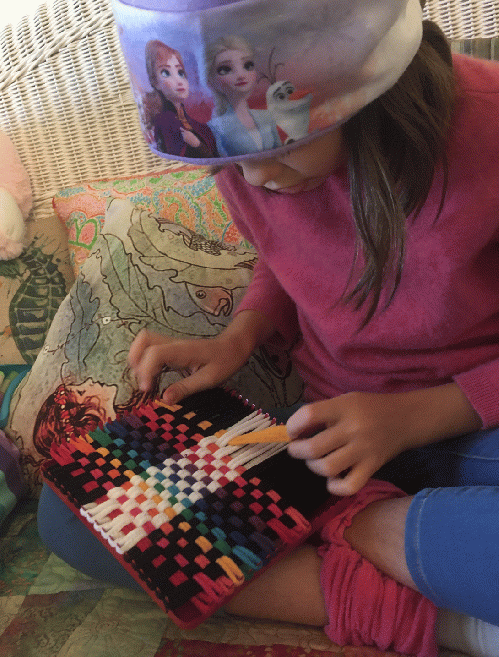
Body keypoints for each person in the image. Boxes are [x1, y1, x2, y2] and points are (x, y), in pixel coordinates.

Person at [38, 0, 499, 655]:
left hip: (472, 425)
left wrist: (416, 417)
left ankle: (385, 544)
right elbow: (288, 258)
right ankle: (434, 590)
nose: (253, 178)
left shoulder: (487, 127)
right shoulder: (243, 161)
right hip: (320, 435)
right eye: (228, 160)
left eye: (278, 145)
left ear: (362, 82)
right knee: (77, 512)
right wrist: (241, 334)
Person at [206, 36, 282, 157]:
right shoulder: (216, 127)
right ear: (211, 81)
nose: (241, 75)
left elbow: (281, 152)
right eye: (225, 69)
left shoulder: (266, 116)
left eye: (247, 65)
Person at [144, 40, 217, 158]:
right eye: (166, 73)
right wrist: (197, 145)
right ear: (155, 82)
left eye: (181, 73)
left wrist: (198, 144)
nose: (178, 80)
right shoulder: (165, 121)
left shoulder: (197, 124)